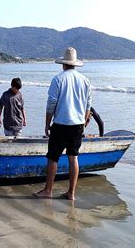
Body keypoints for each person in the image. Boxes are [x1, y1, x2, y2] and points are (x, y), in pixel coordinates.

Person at [34, 47, 92, 200]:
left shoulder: (58, 79)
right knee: (74, 158)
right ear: (75, 64)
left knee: (53, 158)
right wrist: (84, 123)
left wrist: (47, 124)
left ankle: (48, 190)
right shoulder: (85, 80)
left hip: (61, 124)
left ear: (63, 64)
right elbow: (88, 105)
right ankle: (71, 193)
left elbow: (51, 103)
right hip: (78, 125)